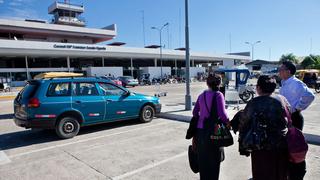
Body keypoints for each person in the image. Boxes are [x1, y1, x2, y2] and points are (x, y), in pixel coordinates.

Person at [238, 75, 289, 180]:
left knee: (261, 173)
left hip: (261, 145)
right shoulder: (282, 100)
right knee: (279, 173)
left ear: (259, 88)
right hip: (281, 143)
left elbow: (243, 122)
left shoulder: (254, 103)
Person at [278, 61, 315, 180]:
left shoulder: (296, 83)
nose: (279, 71)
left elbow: (310, 96)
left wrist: (297, 108)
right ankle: (288, 172)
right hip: (286, 118)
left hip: (294, 117)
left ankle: (298, 173)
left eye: (281, 69)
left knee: (296, 147)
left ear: (288, 71)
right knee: (286, 146)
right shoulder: (284, 83)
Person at [192, 74, 230, 180]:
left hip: (200, 133)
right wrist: (228, 123)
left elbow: (195, 112)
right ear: (219, 83)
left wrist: (202, 118)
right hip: (214, 132)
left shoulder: (202, 95)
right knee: (214, 163)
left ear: (207, 83)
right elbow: (222, 114)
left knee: (203, 163)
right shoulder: (218, 95)